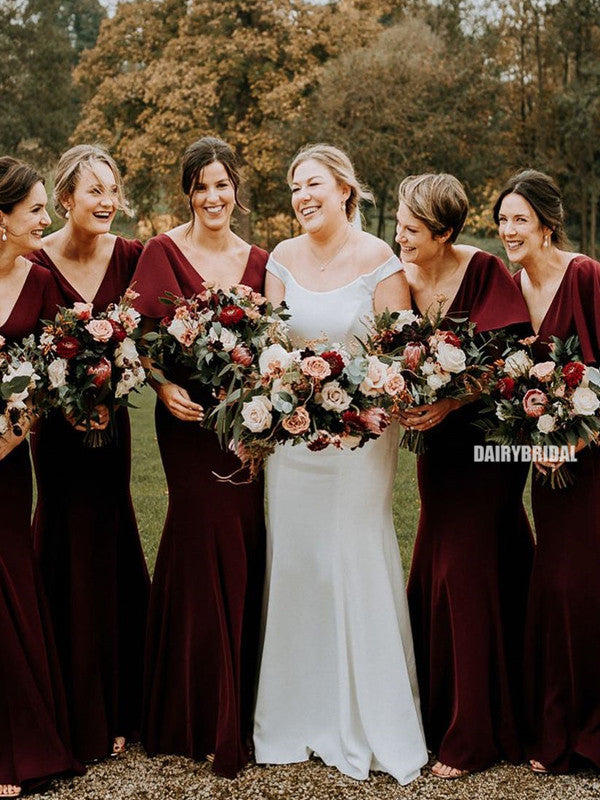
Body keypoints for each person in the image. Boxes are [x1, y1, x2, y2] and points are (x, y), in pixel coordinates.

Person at [253, 144, 428, 785]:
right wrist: (292, 389)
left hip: (362, 442)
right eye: (295, 187)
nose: (302, 196)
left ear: (345, 189)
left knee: (351, 555)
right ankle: (295, 714)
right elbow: (271, 349)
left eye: (314, 184)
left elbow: (398, 356)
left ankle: (368, 716)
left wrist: (356, 400)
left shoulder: (381, 260)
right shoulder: (280, 258)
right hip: (294, 442)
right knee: (299, 560)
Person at [131, 137, 267, 778]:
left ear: (236, 188)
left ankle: (238, 704)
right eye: (201, 186)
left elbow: (273, 349)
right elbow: (139, 338)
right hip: (185, 424)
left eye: (222, 184)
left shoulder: (260, 261)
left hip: (244, 426)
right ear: (187, 192)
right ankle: (187, 708)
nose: (213, 197)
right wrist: (162, 386)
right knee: (196, 537)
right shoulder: (161, 251)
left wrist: (260, 417)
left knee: (240, 537)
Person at [397, 173, 533, 778]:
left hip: (488, 447)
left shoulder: (483, 271)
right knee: (443, 560)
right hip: (438, 451)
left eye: (413, 230)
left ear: (445, 232)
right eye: (399, 224)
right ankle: (441, 712)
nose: (401, 237)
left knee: (466, 566)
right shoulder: (400, 278)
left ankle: (472, 733)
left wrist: (452, 400)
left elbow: (513, 360)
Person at [29, 145, 150, 762]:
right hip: (54, 432)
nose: (107, 201)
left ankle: (123, 704)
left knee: (109, 535)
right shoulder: (33, 260)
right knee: (62, 539)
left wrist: (118, 389)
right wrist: (64, 402)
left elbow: (149, 337)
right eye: (94, 190)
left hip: (112, 429)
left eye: (112, 190)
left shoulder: (131, 256)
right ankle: (66, 704)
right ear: (65, 197)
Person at [494, 169, 600, 774]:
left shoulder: (584, 276)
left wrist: (578, 438)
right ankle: (557, 727)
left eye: (520, 219)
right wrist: (530, 435)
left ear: (546, 225)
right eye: (503, 220)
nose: (509, 230)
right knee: (556, 587)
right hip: (546, 469)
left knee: (581, 587)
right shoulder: (512, 289)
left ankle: (587, 734)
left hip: (593, 463)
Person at [0, 156, 82, 797]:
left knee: (10, 580)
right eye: (34, 209)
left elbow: (56, 374)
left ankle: (21, 745)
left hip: (8, 464)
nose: (45, 218)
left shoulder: (43, 282)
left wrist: (10, 433)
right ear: (1, 219)